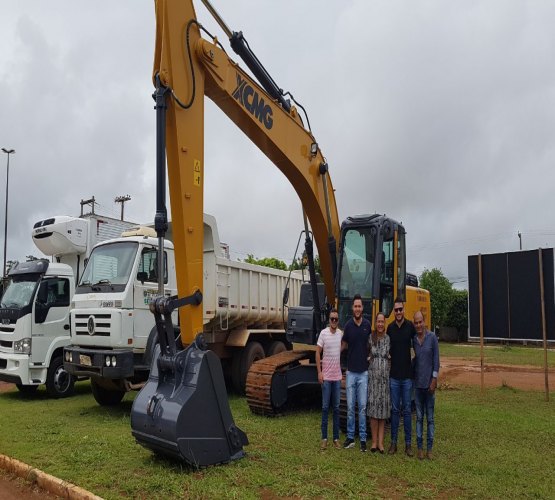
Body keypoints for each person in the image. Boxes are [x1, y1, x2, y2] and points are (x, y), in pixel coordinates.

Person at [387, 297, 416, 456]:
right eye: (396, 310)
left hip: (406, 377)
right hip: (394, 377)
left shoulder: (410, 326)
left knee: (406, 411)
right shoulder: (390, 328)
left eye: (400, 309)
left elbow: (418, 345)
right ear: (394, 312)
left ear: (404, 310)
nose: (398, 312)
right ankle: (393, 443)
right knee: (395, 410)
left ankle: (408, 445)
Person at [341, 294, 371, 452]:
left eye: (360, 306)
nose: (358, 308)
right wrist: (331, 356)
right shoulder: (347, 326)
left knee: (363, 407)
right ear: (352, 308)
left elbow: (372, 345)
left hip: (363, 373)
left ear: (362, 308)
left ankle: (363, 439)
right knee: (351, 407)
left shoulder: (367, 325)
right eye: (355, 306)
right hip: (351, 373)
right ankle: (351, 437)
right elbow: (343, 345)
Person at [413, 310, 440, 460]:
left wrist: (434, 380)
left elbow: (436, 361)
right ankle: (420, 448)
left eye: (420, 322)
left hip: (429, 386)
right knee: (419, 418)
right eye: (416, 323)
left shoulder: (432, 338)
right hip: (417, 386)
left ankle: (429, 448)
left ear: (424, 322)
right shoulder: (414, 340)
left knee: (430, 418)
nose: (418, 325)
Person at [316, 308, 343, 450]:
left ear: (338, 321)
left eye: (336, 319)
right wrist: (319, 372)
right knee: (325, 408)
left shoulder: (340, 334)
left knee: (337, 409)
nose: (334, 321)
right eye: (332, 319)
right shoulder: (323, 333)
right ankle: (324, 438)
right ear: (329, 320)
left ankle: (336, 438)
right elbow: (317, 352)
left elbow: (344, 345)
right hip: (326, 378)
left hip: (337, 377)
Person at [367, 312, 390, 453]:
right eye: (378, 322)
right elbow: (366, 353)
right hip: (373, 380)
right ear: (375, 324)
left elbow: (390, 356)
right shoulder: (371, 338)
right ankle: (374, 442)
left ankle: (381, 443)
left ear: (384, 323)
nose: (380, 324)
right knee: (373, 411)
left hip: (384, 380)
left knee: (383, 412)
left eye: (382, 322)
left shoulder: (388, 339)